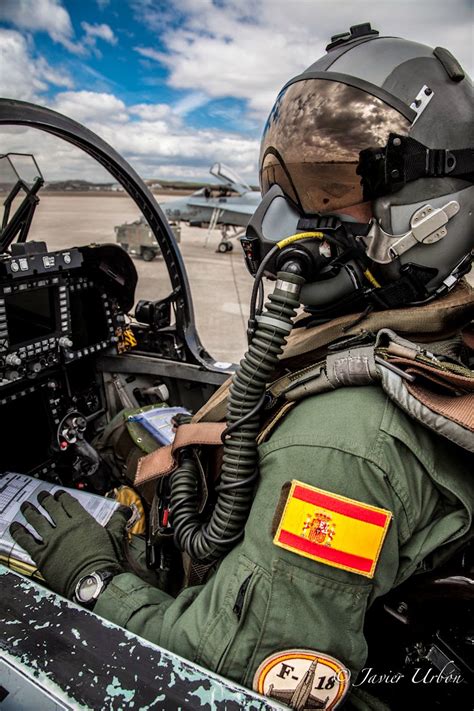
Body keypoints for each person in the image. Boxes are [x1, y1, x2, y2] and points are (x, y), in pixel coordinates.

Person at [11, 24, 474, 710]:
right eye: (286, 178)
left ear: (432, 210)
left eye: (328, 184)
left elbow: (220, 676)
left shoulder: (341, 448)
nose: (283, 215)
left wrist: (89, 576)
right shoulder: (438, 336)